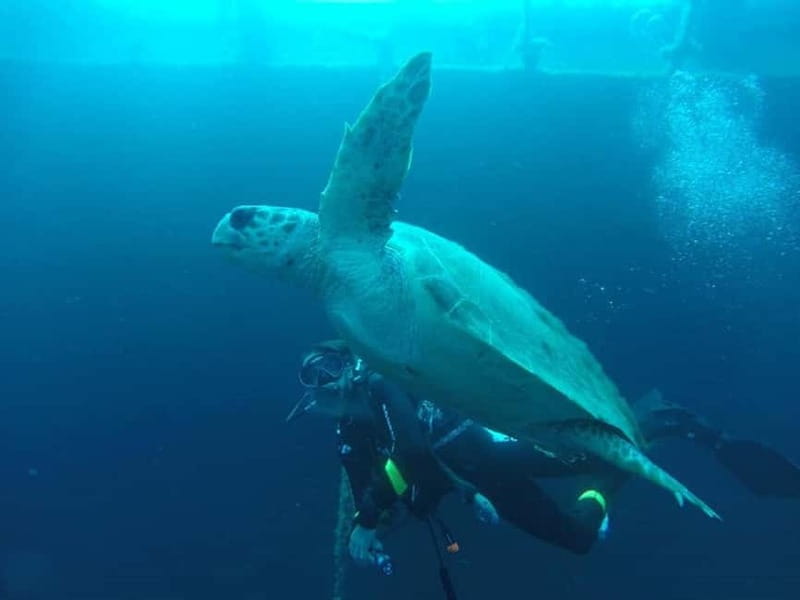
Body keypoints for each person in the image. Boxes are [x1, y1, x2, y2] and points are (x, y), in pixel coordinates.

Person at [288, 340, 800, 563]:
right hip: (477, 478)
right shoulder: (352, 437)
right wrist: (372, 524)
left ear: (347, 367)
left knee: (603, 448)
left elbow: (413, 453)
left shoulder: (383, 385)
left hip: (491, 448)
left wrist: (370, 514)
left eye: (328, 369)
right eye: (313, 380)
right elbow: (387, 485)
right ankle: (608, 483)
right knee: (577, 539)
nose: (325, 385)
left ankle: (664, 421)